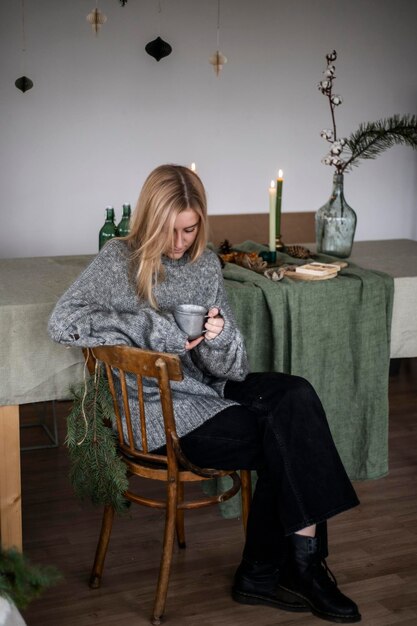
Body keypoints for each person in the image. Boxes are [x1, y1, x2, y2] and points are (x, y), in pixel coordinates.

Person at [48, 164, 361, 623]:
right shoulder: (119, 259)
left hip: (207, 391)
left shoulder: (205, 263)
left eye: (190, 229)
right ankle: (290, 570)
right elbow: (62, 321)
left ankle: (281, 570)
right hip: (156, 411)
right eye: (171, 231)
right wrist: (155, 329)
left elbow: (233, 367)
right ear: (151, 221)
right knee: (288, 438)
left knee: (296, 395)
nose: (180, 243)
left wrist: (216, 336)